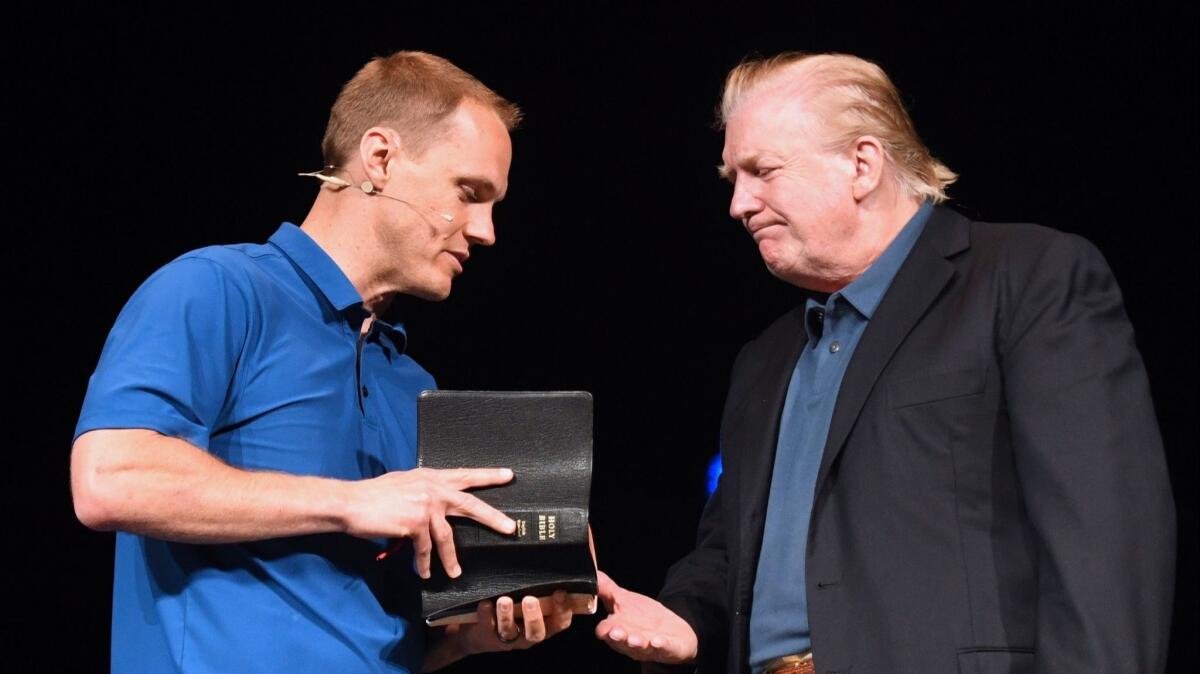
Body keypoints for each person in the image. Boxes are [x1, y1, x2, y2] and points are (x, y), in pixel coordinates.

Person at [595, 52, 1176, 674]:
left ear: (862, 165)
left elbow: (1105, 542)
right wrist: (686, 617)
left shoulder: (1026, 280)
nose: (739, 203)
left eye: (761, 171)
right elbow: (728, 550)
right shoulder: (765, 358)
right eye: (732, 177)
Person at [70, 51, 576, 673]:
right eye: (469, 193)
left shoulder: (411, 383)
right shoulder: (217, 289)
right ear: (380, 158)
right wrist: (351, 501)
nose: (486, 230)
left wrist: (464, 640)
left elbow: (376, 641)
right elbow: (108, 480)